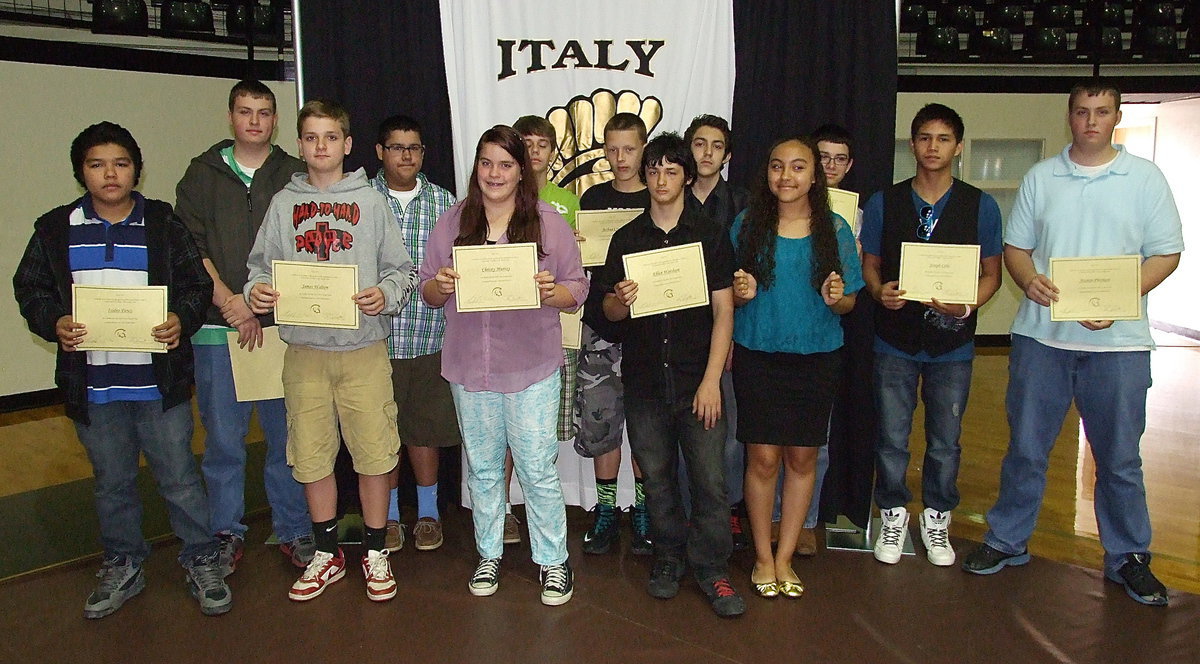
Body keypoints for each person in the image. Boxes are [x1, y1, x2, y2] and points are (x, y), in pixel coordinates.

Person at [963, 80, 1183, 607]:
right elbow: (1017, 249)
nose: (1091, 121)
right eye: (1082, 111)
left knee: (1120, 458)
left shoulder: (1145, 179)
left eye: (1102, 112)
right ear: (1070, 116)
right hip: (1043, 339)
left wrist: (1122, 296)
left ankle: (1128, 555)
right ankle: (1006, 538)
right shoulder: (1042, 178)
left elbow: (1167, 253)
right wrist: (1028, 279)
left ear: (1116, 117)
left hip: (1121, 346)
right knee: (1026, 449)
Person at [14, 121, 231, 618]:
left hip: (158, 383)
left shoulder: (162, 222)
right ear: (81, 172)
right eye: (97, 164)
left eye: (121, 163)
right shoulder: (54, 227)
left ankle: (202, 559)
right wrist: (55, 321)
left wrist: (182, 318)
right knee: (112, 482)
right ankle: (123, 564)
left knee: (179, 477)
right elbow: (31, 289)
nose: (110, 174)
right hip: (93, 385)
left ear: (136, 169)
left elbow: (196, 286)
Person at [245, 99, 415, 603]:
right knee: (312, 456)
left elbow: (400, 270)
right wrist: (258, 291)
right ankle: (326, 553)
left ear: (347, 144)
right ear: (300, 145)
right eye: (311, 138)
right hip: (304, 352)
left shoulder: (371, 202)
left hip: (363, 349)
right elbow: (260, 267)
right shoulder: (282, 204)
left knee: (374, 453)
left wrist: (384, 294)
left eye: (330, 137)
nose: (321, 146)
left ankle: (376, 550)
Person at [419, 125, 586, 606]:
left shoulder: (548, 222)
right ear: (476, 167)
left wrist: (547, 289)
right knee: (485, 470)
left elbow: (575, 291)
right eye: (486, 163)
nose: (495, 174)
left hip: (531, 365)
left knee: (537, 468)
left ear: (522, 170)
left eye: (506, 164)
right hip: (471, 368)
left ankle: (553, 562)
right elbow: (428, 288)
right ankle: (488, 554)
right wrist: (444, 286)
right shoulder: (452, 222)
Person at [599, 132, 745, 617]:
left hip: (697, 382)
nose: (662, 180)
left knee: (710, 481)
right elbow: (608, 315)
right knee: (656, 479)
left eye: (671, 171)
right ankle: (667, 556)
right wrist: (620, 299)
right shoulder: (627, 239)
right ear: (645, 176)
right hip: (643, 384)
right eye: (654, 170)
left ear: (686, 176)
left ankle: (712, 568)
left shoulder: (709, 234)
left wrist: (711, 381)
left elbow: (725, 313)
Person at [175, 79, 313, 573]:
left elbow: (311, 246)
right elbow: (191, 249)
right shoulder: (201, 175)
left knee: (288, 438)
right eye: (244, 111)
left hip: (284, 331)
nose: (254, 120)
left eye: (264, 112)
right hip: (219, 330)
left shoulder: (296, 174)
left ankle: (294, 527)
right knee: (224, 442)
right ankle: (226, 530)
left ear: (275, 121)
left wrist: (264, 306)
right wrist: (234, 304)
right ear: (230, 117)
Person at [861, 103, 1003, 567]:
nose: (933, 147)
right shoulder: (885, 201)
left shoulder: (980, 204)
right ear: (912, 144)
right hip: (894, 340)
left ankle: (937, 516)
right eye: (924, 138)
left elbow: (992, 275)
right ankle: (894, 512)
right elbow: (871, 264)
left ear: (958, 146)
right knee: (892, 438)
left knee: (945, 441)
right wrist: (879, 291)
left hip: (952, 344)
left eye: (943, 139)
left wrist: (968, 304)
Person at [731, 136, 862, 598]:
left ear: (814, 175)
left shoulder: (837, 229)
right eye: (777, 166)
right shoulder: (747, 224)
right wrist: (741, 293)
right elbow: (731, 292)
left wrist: (837, 298)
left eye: (798, 167)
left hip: (816, 356)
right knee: (763, 457)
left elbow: (848, 301)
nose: (786, 177)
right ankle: (762, 557)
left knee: (802, 457)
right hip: (757, 353)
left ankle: (786, 558)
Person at [371, 114, 461, 553]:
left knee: (424, 432)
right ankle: (387, 518)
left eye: (415, 148)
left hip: (430, 339)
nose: (406, 156)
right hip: (372, 341)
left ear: (424, 153)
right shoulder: (359, 201)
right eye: (397, 147)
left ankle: (427, 512)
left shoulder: (446, 204)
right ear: (379, 152)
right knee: (381, 435)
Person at [495, 114, 582, 545]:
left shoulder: (561, 204)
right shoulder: (473, 212)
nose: (532, 153)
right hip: (491, 349)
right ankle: (502, 520)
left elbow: (575, 280)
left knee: (538, 449)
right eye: (523, 145)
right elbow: (435, 286)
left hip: (546, 338)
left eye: (539, 144)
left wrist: (557, 286)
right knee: (495, 453)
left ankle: (550, 552)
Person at [576, 112, 652, 556]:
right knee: (602, 424)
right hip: (601, 330)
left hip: (648, 334)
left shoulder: (659, 196)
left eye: (629, 149)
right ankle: (606, 511)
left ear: (644, 149)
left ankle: (643, 510)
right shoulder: (593, 199)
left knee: (646, 428)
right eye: (612, 149)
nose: (620, 158)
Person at [682, 114, 750, 551]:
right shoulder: (670, 196)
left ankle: (729, 510)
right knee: (688, 430)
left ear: (728, 155)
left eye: (716, 145)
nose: (707, 153)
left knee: (727, 434)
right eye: (699, 144)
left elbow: (750, 273)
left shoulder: (743, 203)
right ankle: (689, 516)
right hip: (683, 334)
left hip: (731, 328)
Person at [793, 122, 860, 556]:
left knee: (813, 443)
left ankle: (806, 521)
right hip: (779, 335)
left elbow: (854, 289)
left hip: (823, 338)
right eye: (823, 157)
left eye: (840, 158)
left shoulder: (852, 216)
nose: (831, 166)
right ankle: (777, 518)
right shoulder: (772, 211)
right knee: (768, 446)